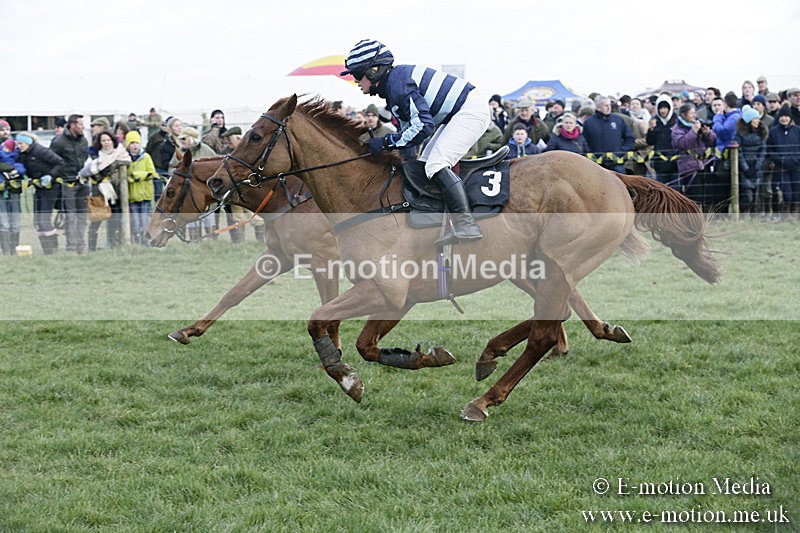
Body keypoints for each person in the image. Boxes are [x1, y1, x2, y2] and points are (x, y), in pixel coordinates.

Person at [342, 38, 488, 242]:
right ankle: (441, 222)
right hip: (459, 112)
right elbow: (408, 133)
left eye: (357, 75)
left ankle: (467, 225)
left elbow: (422, 127)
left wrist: (385, 143)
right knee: (424, 165)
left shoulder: (398, 84)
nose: (356, 81)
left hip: (470, 110)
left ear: (374, 70)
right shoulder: (392, 86)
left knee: (435, 164)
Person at [78, 131, 131, 250]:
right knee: (96, 219)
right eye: (103, 141)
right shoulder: (96, 157)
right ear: (100, 143)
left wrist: (115, 165)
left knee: (115, 220)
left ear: (113, 141)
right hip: (100, 192)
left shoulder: (121, 154)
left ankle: (114, 245)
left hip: (117, 192)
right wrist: (104, 173)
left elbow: (127, 162)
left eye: (108, 140)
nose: (106, 143)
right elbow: (88, 172)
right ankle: (91, 248)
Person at [15, 133, 64, 254]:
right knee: (37, 220)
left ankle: (53, 249)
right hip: (39, 187)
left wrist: (50, 176)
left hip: (51, 186)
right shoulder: (23, 154)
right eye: (18, 144)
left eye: (21, 143)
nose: (19, 146)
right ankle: (46, 250)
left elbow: (60, 163)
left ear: (28, 143)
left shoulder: (40, 151)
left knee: (44, 218)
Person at [50, 114, 90, 254]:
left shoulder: (84, 140)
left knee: (82, 215)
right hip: (67, 183)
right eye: (80, 124)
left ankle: (81, 244)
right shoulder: (59, 142)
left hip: (83, 182)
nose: (82, 127)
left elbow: (85, 158)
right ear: (72, 125)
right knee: (70, 215)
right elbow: (53, 160)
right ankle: (71, 246)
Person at [171, 127, 217, 240]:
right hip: (188, 196)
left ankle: (212, 242)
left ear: (192, 139)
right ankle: (194, 242)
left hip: (207, 195)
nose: (181, 141)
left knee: (209, 218)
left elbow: (217, 170)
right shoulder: (179, 153)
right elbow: (172, 169)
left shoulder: (207, 151)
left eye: (184, 139)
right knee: (191, 220)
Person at [671, 103, 717, 209]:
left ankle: (707, 219)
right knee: (694, 197)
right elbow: (682, 143)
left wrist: (707, 133)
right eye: (691, 113)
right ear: (683, 115)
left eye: (694, 113)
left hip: (704, 164)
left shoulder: (697, 124)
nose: (694, 116)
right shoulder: (677, 129)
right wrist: (694, 131)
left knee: (707, 195)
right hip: (689, 167)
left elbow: (713, 142)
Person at [582, 96, 634, 173]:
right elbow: (584, 141)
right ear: (598, 107)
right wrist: (591, 153)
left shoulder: (618, 120)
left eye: (609, 105)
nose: (609, 107)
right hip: (597, 163)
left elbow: (629, 138)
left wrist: (621, 151)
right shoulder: (589, 122)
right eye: (605, 105)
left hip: (617, 163)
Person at [767, 106, 800, 221]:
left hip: (796, 166)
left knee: (797, 193)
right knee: (787, 194)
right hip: (781, 167)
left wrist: (795, 159)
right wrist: (780, 159)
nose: (784, 119)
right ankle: (785, 214)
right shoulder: (773, 131)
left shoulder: (797, 130)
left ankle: (795, 215)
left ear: (790, 118)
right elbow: (770, 149)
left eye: (786, 116)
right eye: (782, 116)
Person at [733, 106, 767, 215]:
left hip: (757, 166)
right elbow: (738, 152)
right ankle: (743, 214)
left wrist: (757, 166)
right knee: (747, 195)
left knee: (756, 193)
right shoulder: (739, 134)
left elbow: (763, 150)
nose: (758, 121)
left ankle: (754, 216)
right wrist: (746, 168)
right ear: (749, 120)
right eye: (755, 118)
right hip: (745, 168)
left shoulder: (762, 132)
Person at [125, 130, 156, 245]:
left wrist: (137, 176)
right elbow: (126, 176)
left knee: (144, 222)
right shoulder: (126, 159)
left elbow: (152, 173)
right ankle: (137, 243)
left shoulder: (146, 157)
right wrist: (132, 178)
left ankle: (146, 244)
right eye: (132, 143)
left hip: (145, 196)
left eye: (137, 143)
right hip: (132, 196)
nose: (135, 145)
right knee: (136, 224)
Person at [0, 138, 26, 254]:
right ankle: (6, 251)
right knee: (4, 223)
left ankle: (14, 249)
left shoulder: (18, 160)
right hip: (2, 193)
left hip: (14, 192)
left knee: (15, 223)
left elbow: (22, 171)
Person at [645, 95, 678, 185]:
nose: (662, 111)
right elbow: (649, 141)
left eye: (665, 108)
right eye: (660, 108)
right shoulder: (654, 121)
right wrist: (651, 130)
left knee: (675, 191)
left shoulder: (677, 121)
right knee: (661, 189)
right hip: (660, 163)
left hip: (675, 163)